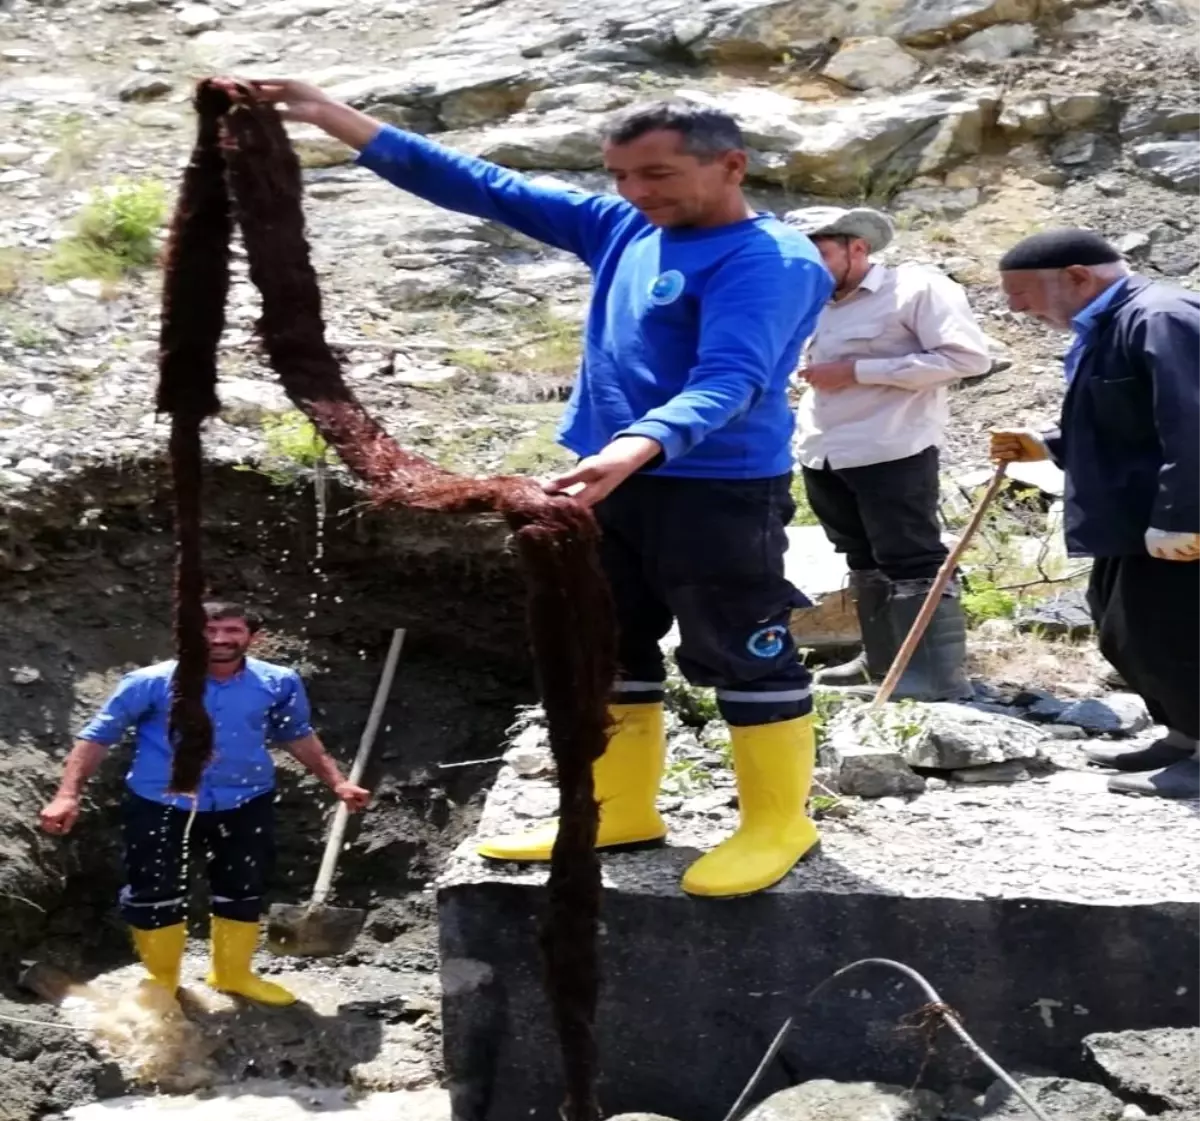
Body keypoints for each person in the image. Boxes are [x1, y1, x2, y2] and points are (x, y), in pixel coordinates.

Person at [254, 81, 834, 897]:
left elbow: (730, 380)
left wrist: (636, 445)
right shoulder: (624, 226)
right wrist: (329, 116)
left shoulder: (768, 260)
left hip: (716, 490)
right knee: (607, 643)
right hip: (606, 482)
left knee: (742, 648)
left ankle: (778, 822)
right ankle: (621, 807)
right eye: (621, 175)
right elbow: (483, 185)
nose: (636, 192)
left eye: (658, 174)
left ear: (730, 165)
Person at [38, 602, 371, 1004]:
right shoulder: (149, 682)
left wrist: (337, 782)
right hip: (159, 801)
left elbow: (296, 734)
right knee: (153, 891)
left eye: (231, 630)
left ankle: (232, 974)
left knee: (242, 888)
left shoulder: (278, 681)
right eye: (208, 631)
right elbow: (97, 736)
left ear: (253, 637)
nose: (219, 640)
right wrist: (67, 795)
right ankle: (163, 982)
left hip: (247, 800)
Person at [991, 228, 1200, 798]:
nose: (1014, 308)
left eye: (1021, 291)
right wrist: (1048, 444)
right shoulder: (1112, 323)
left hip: (1173, 515)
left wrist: (1185, 515)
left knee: (1177, 632)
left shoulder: (1161, 318)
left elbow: (1191, 422)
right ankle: (1184, 735)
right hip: (1133, 516)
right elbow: (1122, 415)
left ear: (1078, 277)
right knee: (1125, 628)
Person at [782, 206, 991, 700]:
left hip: (891, 445)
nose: (806, 267)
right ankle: (882, 663)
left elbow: (967, 358)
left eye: (819, 254)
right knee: (860, 556)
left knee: (912, 558)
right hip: (823, 449)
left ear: (858, 247)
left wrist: (858, 371)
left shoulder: (917, 288)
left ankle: (935, 678)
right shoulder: (811, 301)